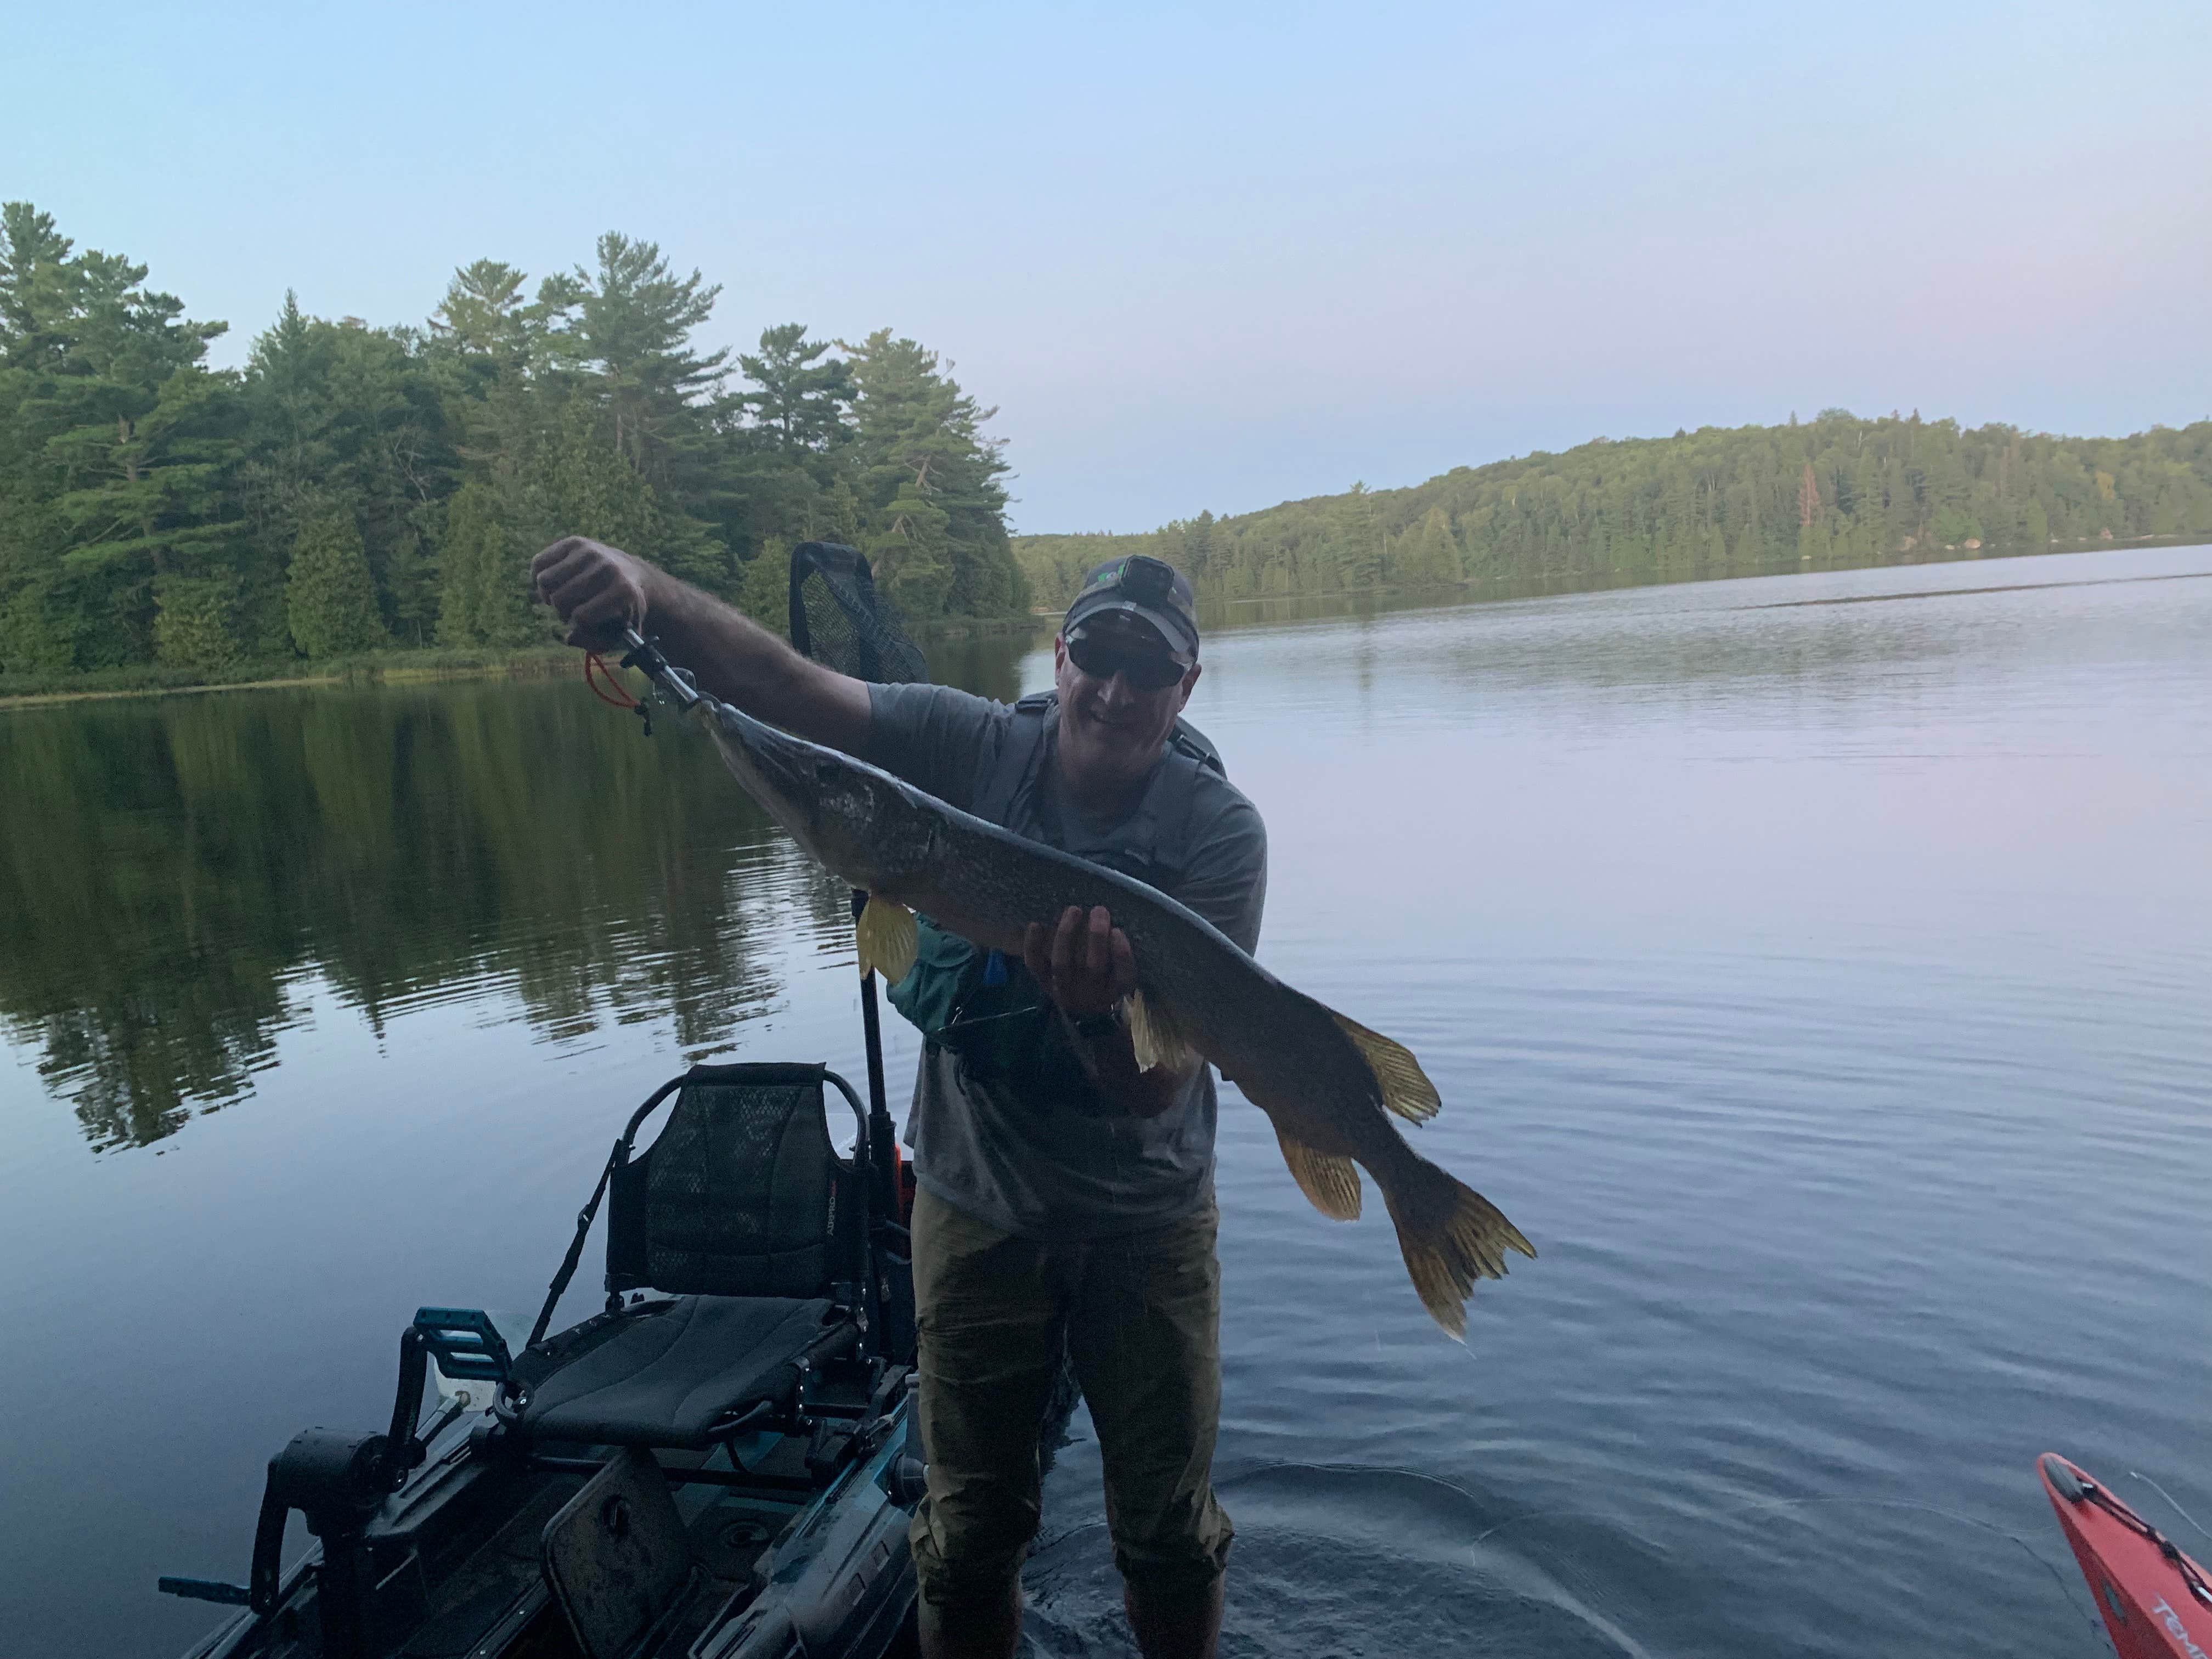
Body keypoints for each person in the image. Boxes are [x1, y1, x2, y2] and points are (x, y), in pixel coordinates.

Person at [530, 538, 1266, 1659]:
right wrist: (651, 598)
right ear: (1061, 658)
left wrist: (1084, 1010)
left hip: (1146, 1220)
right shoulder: (966, 745)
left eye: (1149, 670)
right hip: (977, 1209)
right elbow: (787, 690)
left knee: (1168, 1536)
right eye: (1097, 656)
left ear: (1186, 688)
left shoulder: (1219, 835)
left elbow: (1161, 1089)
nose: (1117, 691)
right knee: (968, 1536)